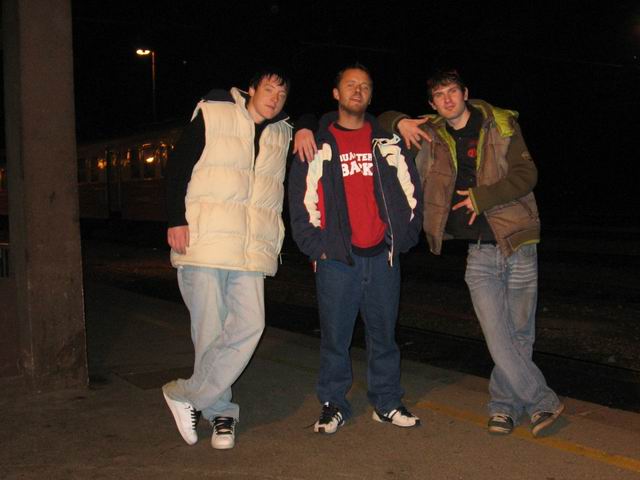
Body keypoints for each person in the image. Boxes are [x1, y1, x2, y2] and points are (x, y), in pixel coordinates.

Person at [379, 69, 564, 437]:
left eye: (452, 91)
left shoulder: (501, 123)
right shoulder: (430, 133)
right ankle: (542, 400)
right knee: (498, 336)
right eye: (439, 95)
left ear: (465, 93)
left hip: (518, 241)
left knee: (520, 335)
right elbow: (378, 122)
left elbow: (526, 174)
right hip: (478, 251)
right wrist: (399, 122)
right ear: (432, 104)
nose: (447, 99)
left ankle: (504, 407)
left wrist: (483, 197)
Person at [288, 63, 423, 434]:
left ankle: (387, 402)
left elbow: (412, 190)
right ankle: (333, 404)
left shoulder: (387, 141)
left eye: (364, 85)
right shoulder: (316, 142)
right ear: (336, 93)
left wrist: (403, 237)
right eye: (350, 84)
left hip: (382, 256)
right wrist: (317, 248)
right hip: (337, 259)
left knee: (384, 336)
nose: (358, 90)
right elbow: (300, 200)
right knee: (335, 338)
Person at [162, 69, 292, 449]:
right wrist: (175, 219)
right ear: (251, 90)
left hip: (250, 250)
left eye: (282, 94)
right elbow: (177, 167)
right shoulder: (214, 113)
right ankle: (221, 414)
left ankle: (186, 394)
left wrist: (306, 125)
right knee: (210, 332)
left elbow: (325, 124)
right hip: (205, 242)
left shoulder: (282, 132)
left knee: (251, 324)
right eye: (269, 89)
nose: (274, 98)